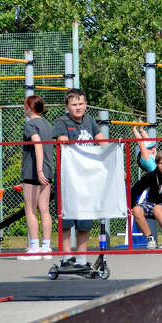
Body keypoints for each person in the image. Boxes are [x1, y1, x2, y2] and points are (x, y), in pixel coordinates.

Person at [52, 88, 106, 268]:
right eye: (74, 104)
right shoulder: (61, 122)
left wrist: (112, 162)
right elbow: (64, 144)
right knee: (66, 217)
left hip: (87, 178)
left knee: (85, 219)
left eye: (81, 103)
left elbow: (102, 142)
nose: (78, 107)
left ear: (86, 104)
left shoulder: (90, 120)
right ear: (66, 106)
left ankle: (81, 258)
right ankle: (67, 257)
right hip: (68, 176)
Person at [18, 95, 54, 261]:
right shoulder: (47, 123)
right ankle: (46, 247)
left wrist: (38, 170)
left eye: (24, 105)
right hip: (47, 170)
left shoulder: (30, 124)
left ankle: (35, 247)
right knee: (44, 209)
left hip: (34, 171)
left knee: (30, 209)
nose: (23, 108)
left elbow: (37, 144)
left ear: (30, 107)